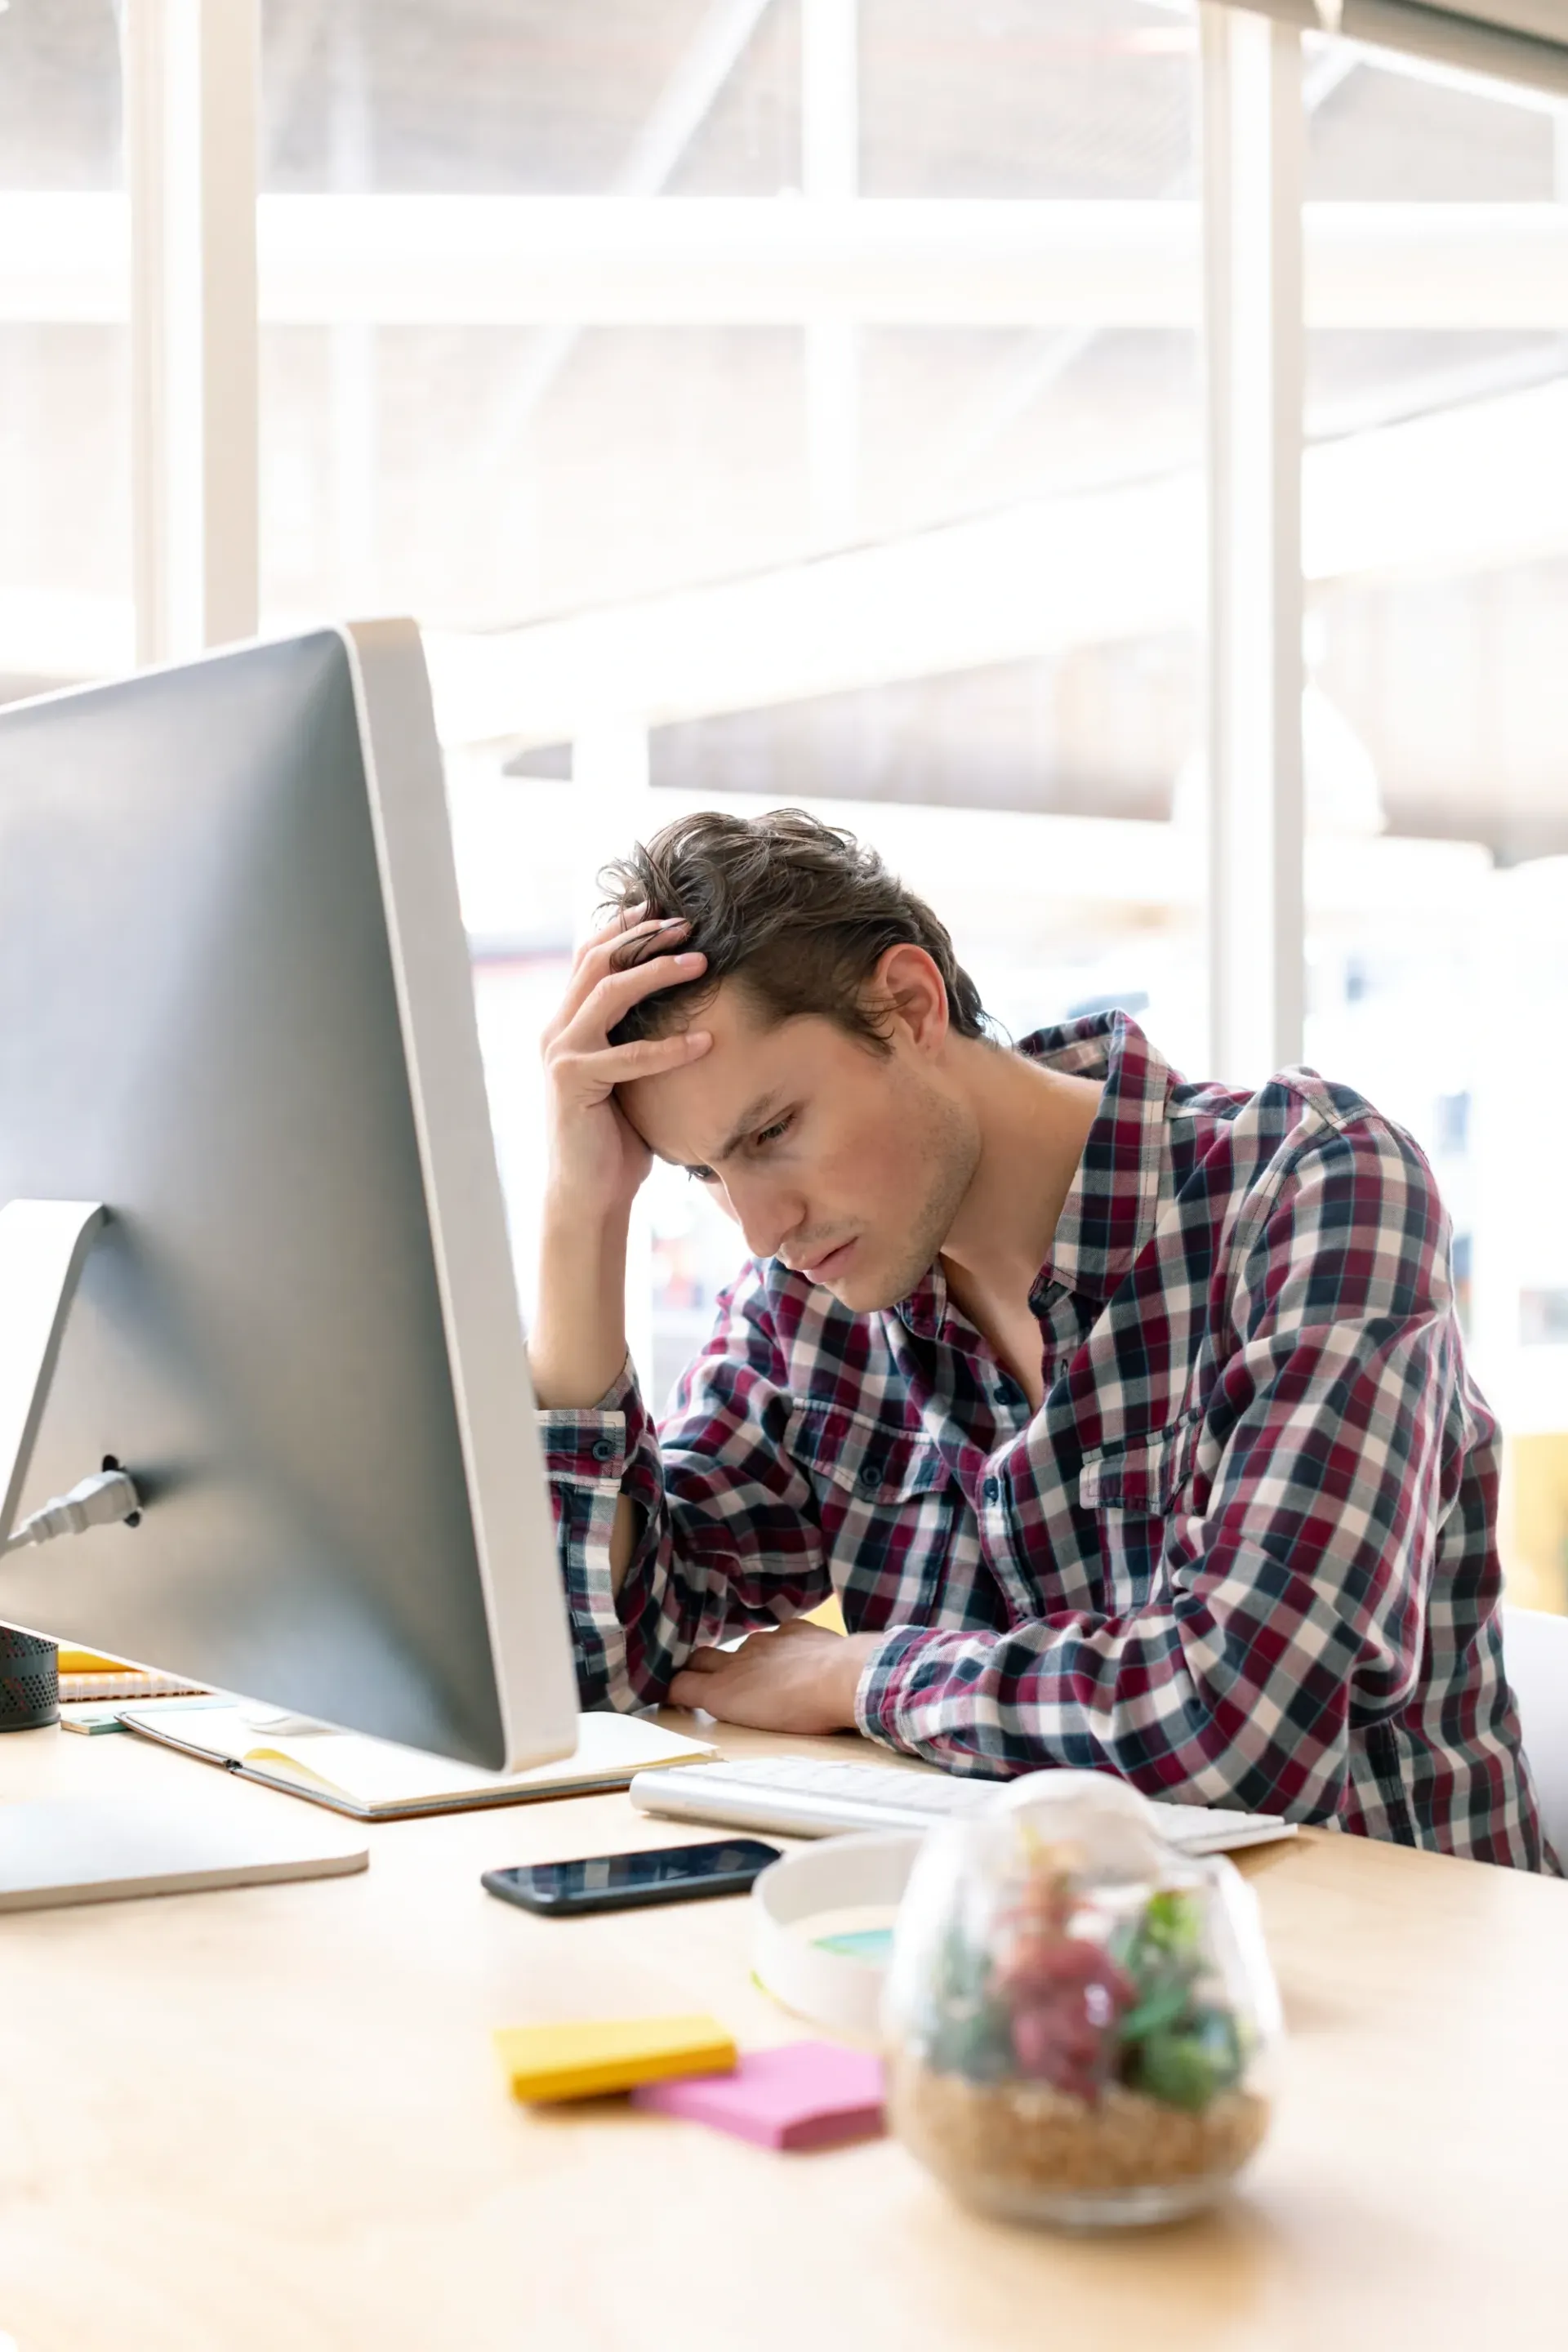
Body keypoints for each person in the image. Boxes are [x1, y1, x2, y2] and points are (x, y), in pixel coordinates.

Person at [529, 807, 1547, 1870]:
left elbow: (1245, 1721)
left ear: (911, 1002)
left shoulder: (1312, 1187)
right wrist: (582, 1212)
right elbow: (597, 1659)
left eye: (774, 1132)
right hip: (1035, 1978)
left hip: (1398, 1974)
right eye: (705, 1176)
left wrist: (857, 1677)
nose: (759, 1227)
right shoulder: (814, 1305)